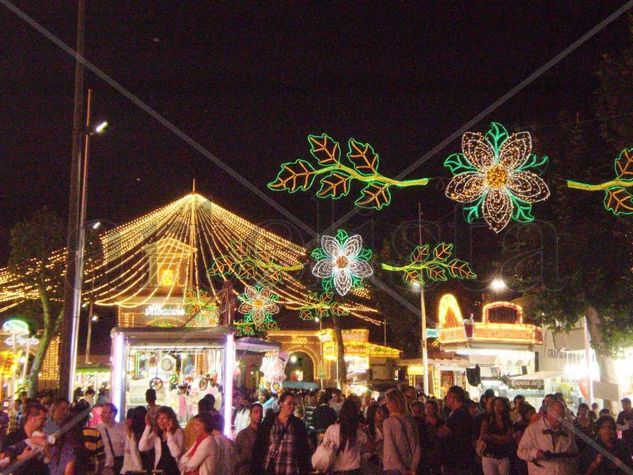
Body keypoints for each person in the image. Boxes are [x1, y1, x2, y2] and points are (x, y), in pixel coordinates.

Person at [251, 392, 311, 474]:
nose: (292, 407)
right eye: (289, 404)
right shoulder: (269, 422)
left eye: (294, 404)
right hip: (271, 469)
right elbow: (259, 446)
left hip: (291, 469)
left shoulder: (298, 425)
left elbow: (304, 450)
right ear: (281, 404)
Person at [517, 400, 577, 474]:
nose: (560, 420)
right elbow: (521, 451)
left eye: (562, 417)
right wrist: (536, 453)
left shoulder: (568, 431)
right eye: (557, 416)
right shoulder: (532, 430)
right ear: (549, 413)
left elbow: (574, 454)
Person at [319, 399, 368, 474]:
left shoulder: (332, 429)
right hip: (354, 470)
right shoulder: (358, 432)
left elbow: (325, 448)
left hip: (337, 470)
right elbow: (368, 448)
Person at [437, 385, 474, 475]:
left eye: (448, 397)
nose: (446, 400)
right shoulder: (459, 412)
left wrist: (435, 424)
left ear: (453, 398)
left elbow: (444, 432)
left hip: (457, 460)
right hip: (457, 459)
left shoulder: (459, 414)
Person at [2, 402, 49, 474]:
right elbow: (4, 466)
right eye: (42, 420)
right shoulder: (13, 438)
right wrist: (21, 458)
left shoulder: (44, 437)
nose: (45, 424)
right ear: (31, 419)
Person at [382, 389, 421, 475]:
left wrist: (402, 470)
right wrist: (413, 468)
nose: (386, 405)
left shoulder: (388, 423)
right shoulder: (411, 421)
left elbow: (391, 448)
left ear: (394, 403)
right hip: (410, 464)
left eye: (388, 402)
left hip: (393, 467)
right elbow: (417, 445)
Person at [139, 405, 184, 474]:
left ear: (170, 419)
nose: (161, 421)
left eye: (164, 418)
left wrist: (169, 433)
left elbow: (176, 454)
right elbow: (142, 447)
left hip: (173, 470)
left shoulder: (178, 432)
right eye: (159, 418)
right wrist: (148, 426)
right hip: (159, 471)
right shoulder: (156, 434)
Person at [479, 397, 513, 475]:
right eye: (495, 405)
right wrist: (501, 438)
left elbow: (508, 438)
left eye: (500, 405)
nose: (497, 408)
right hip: (489, 455)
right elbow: (483, 435)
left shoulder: (507, 420)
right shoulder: (488, 418)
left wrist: (491, 436)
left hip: (503, 455)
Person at [97, 402, 126, 474]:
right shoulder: (97, 428)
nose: (101, 415)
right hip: (103, 467)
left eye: (104, 412)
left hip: (118, 466)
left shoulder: (122, 428)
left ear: (112, 414)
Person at [235, 403, 263, 475]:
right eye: (256, 412)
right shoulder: (242, 435)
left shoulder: (265, 434)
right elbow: (235, 457)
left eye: (261, 412)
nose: (259, 415)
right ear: (250, 415)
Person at [121, 406, 146, 474]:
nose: (126, 420)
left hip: (135, 470)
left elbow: (135, 454)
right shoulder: (128, 433)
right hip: (128, 470)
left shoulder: (137, 436)